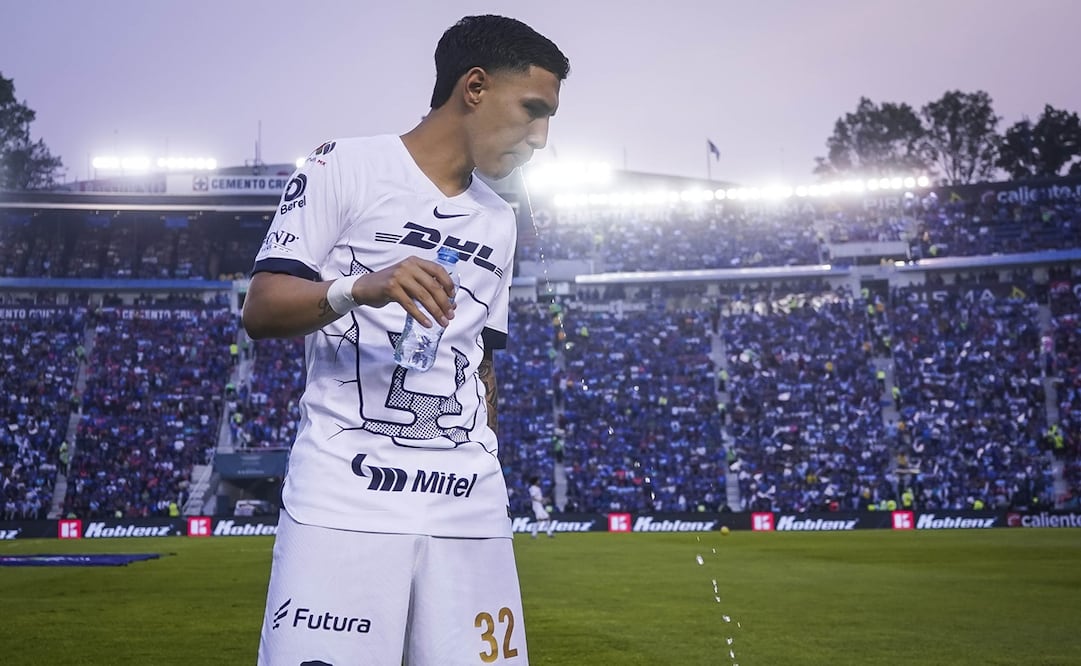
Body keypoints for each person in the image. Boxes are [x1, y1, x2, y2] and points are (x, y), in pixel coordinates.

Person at [242, 15, 569, 666]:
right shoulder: (344, 165)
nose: (540, 138)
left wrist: (488, 475)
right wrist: (357, 288)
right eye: (532, 110)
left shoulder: (498, 220)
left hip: (465, 506)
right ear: (473, 87)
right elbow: (262, 308)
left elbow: (481, 364)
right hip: (348, 500)